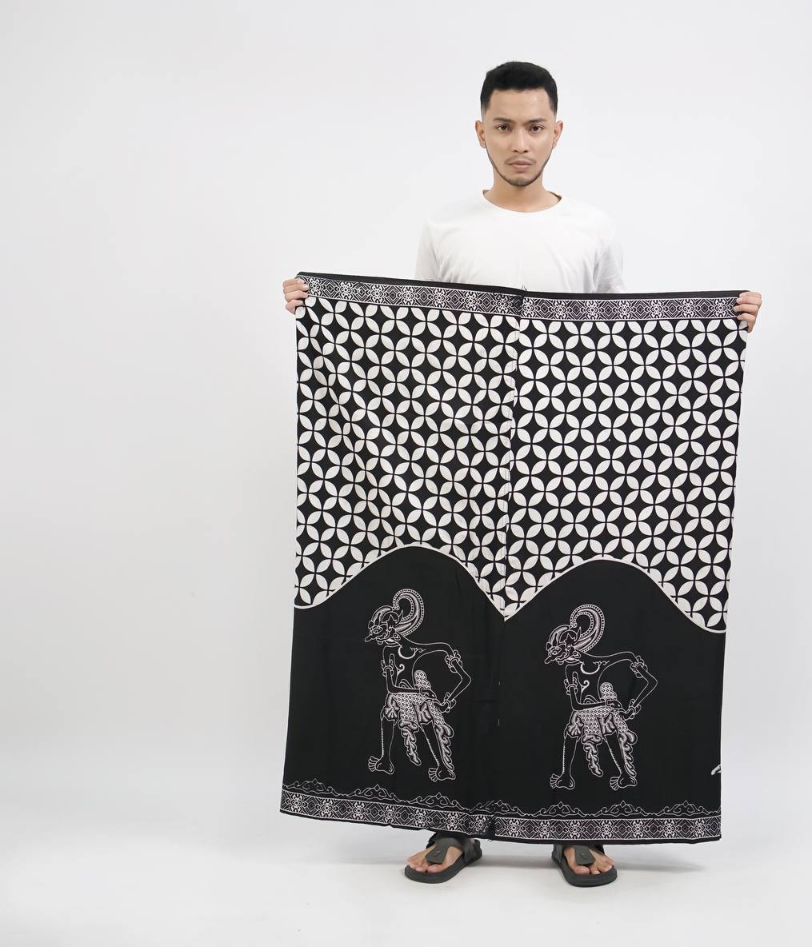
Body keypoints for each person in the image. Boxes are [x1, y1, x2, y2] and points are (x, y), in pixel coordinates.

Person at [282, 60, 763, 885]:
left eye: (534, 126)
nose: (519, 142)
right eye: (503, 126)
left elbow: (618, 343)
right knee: (461, 621)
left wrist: (719, 327)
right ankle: (453, 822)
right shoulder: (447, 227)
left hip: (568, 462)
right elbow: (416, 346)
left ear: (556, 131)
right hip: (457, 463)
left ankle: (574, 824)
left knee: (552, 633)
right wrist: (322, 310)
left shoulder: (591, 229)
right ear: (481, 131)